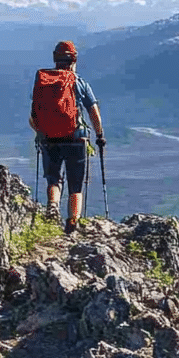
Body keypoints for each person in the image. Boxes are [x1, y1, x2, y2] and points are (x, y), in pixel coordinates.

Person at [29, 40, 104, 234]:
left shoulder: (44, 82)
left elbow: (33, 117)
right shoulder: (79, 83)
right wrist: (100, 135)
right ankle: (72, 223)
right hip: (76, 138)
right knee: (76, 184)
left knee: (54, 179)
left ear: (55, 59)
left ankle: (52, 206)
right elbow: (93, 112)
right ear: (74, 60)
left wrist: (41, 132)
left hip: (49, 138)